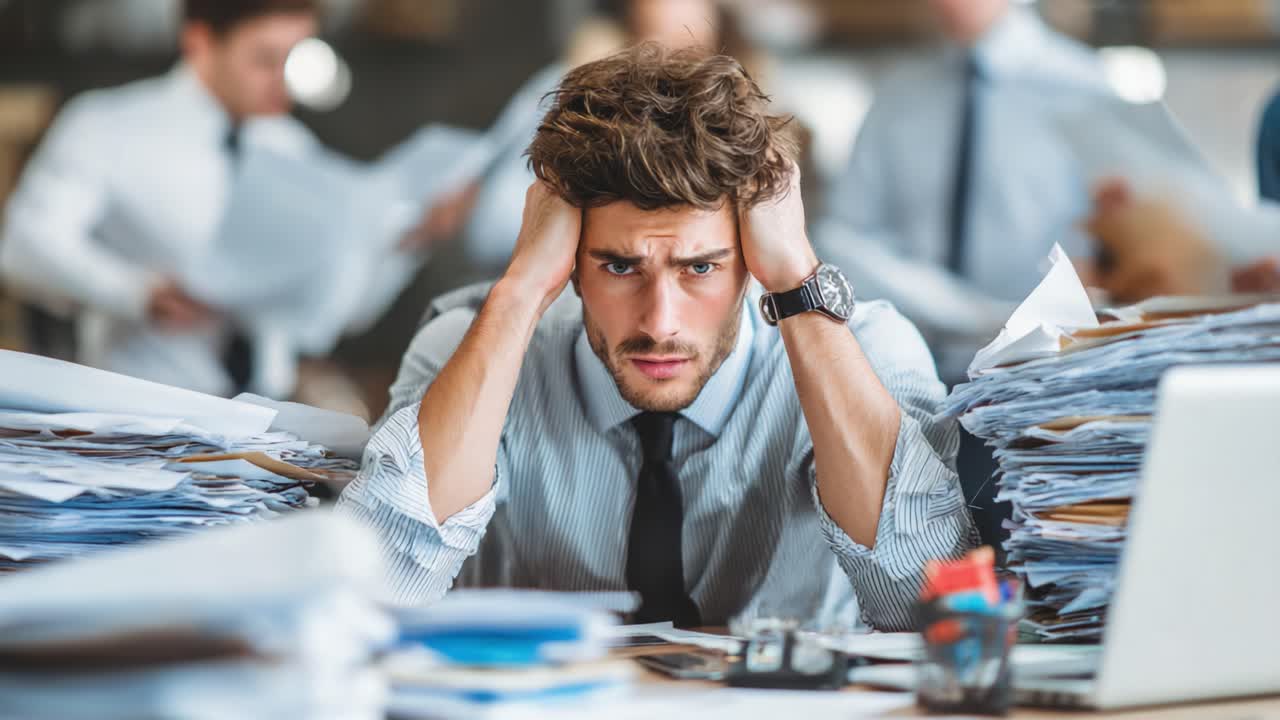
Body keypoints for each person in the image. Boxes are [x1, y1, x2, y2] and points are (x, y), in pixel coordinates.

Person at [337, 45, 976, 631]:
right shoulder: (468, 346)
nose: (660, 323)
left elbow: (926, 601)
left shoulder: (864, 348)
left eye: (700, 268)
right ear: (570, 259)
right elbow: (376, 590)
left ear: (753, 256)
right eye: (619, 266)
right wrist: (521, 288)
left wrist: (798, 283)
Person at [817, 0, 1111, 551]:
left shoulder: (1091, 93)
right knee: (919, 569)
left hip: (1042, 392)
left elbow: (1119, 254)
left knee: (1038, 569)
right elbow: (842, 240)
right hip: (909, 384)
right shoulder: (898, 97)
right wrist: (964, 312)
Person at [1, 0, 319, 398]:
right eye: (264, 59)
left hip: (272, 411)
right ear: (200, 41)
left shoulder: (296, 148)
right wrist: (136, 292)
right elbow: (24, 245)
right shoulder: (106, 125)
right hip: (145, 407)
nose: (283, 82)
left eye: (294, 60)